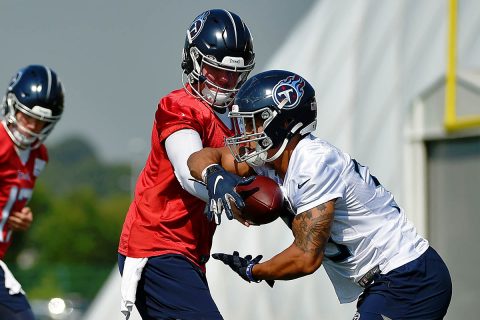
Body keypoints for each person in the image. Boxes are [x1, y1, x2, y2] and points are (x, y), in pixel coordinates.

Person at [187, 70, 452, 319]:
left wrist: (254, 270)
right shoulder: (269, 162)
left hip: (410, 278)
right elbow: (198, 158)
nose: (246, 133)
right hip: (387, 281)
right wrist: (214, 175)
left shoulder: (313, 163)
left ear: (284, 123)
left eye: (253, 122)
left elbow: (305, 258)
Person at [117, 9, 255, 320]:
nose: (225, 80)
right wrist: (217, 183)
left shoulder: (237, 120)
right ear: (193, 61)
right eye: (215, 70)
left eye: (234, 73)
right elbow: (185, 170)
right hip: (156, 246)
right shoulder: (179, 105)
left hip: (187, 253)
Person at [0, 65, 64, 320]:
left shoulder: (38, 156)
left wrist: (17, 215)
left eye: (40, 123)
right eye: (28, 117)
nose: (31, 127)